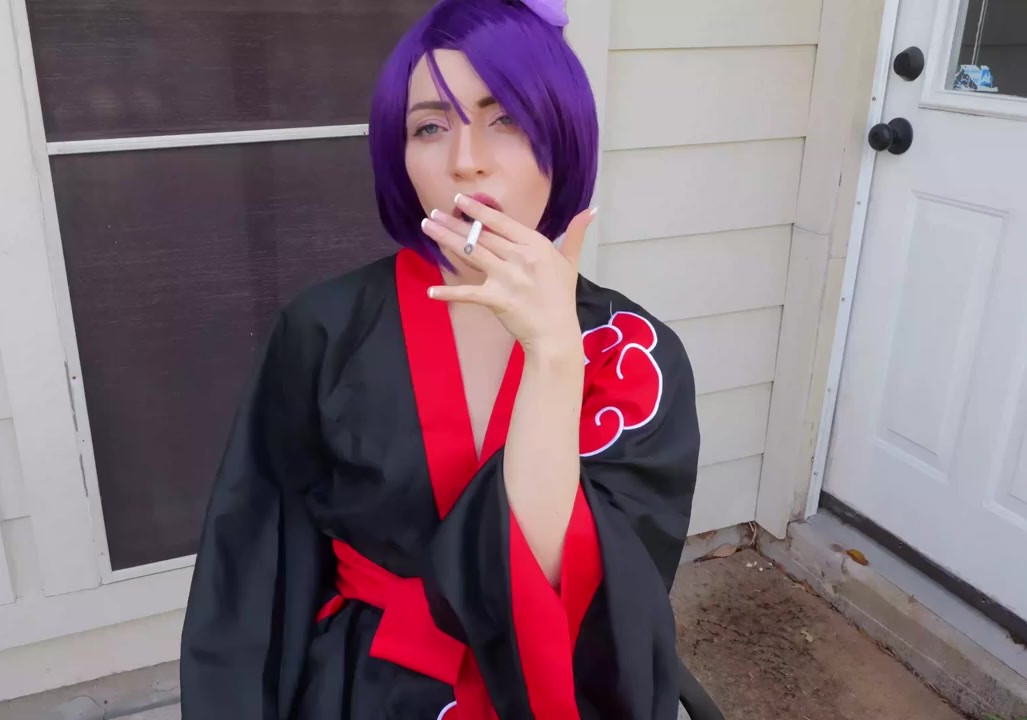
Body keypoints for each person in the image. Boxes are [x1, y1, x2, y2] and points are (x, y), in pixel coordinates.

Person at [179, 0, 701, 717]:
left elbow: (596, 587)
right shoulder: (323, 328)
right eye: (429, 126)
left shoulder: (632, 351)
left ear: (564, 134)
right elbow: (252, 572)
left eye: (506, 118)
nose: (465, 159)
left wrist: (554, 356)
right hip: (362, 687)